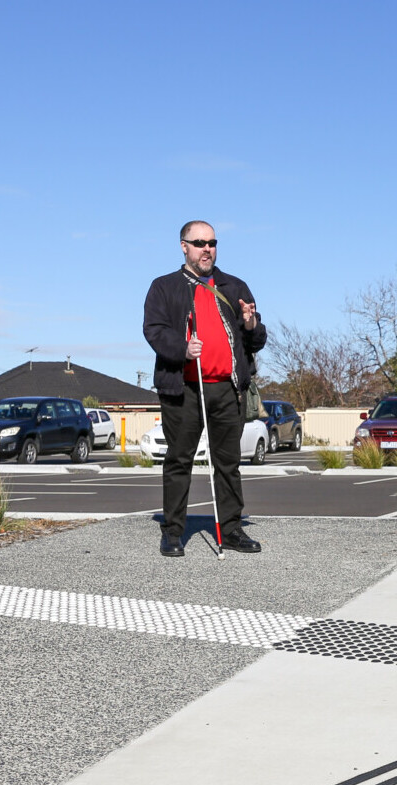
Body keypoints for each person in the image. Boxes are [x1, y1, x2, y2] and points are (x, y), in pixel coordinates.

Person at [143, 221, 266, 557]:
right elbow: (153, 330)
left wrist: (252, 323)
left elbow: (256, 339)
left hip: (227, 390)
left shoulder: (234, 285)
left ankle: (231, 530)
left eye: (212, 242)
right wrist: (183, 348)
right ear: (184, 246)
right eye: (199, 243)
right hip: (183, 389)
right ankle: (173, 532)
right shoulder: (164, 287)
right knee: (179, 460)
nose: (206, 249)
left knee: (228, 462)